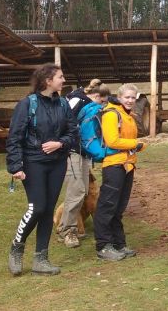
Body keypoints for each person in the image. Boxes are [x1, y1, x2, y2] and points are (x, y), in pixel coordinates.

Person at [6, 64, 79, 276]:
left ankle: (41, 259)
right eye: (60, 77)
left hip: (57, 162)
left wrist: (60, 143)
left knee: (48, 210)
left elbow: (73, 133)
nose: (63, 80)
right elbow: (14, 137)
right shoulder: (28, 104)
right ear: (48, 80)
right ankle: (16, 248)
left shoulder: (64, 104)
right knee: (37, 208)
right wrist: (15, 166)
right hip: (33, 162)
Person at [94, 83, 146, 261]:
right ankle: (103, 246)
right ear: (120, 97)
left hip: (127, 164)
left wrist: (134, 147)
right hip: (114, 165)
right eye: (127, 97)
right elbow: (112, 140)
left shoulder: (127, 115)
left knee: (119, 207)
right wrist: (136, 144)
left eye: (133, 97)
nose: (130, 100)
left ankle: (118, 243)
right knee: (107, 205)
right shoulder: (111, 113)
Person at [56, 81, 108, 248]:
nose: (102, 105)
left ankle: (73, 226)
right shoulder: (76, 102)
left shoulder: (87, 102)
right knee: (76, 190)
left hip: (83, 152)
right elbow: (61, 124)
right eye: (102, 101)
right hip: (71, 151)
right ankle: (66, 230)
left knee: (84, 190)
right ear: (96, 96)